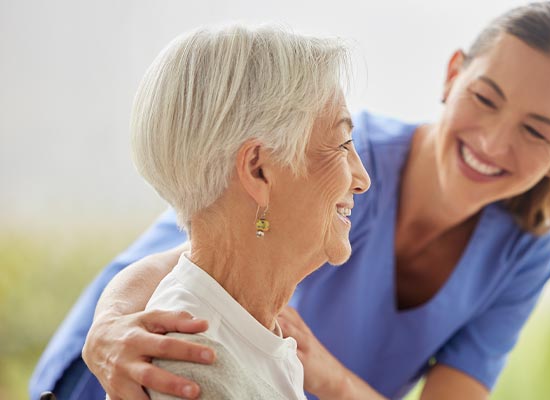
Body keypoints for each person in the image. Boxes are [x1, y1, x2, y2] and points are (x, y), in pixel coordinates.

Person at [30, 2, 550, 399]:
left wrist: (325, 376)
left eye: (535, 131)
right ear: (453, 75)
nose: (493, 142)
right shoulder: (338, 159)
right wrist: (106, 330)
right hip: (140, 370)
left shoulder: (521, 255)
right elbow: (201, 238)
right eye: (485, 98)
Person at [33, 23, 371, 400]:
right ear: (258, 170)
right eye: (342, 144)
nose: (362, 179)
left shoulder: (245, 334)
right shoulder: (195, 366)